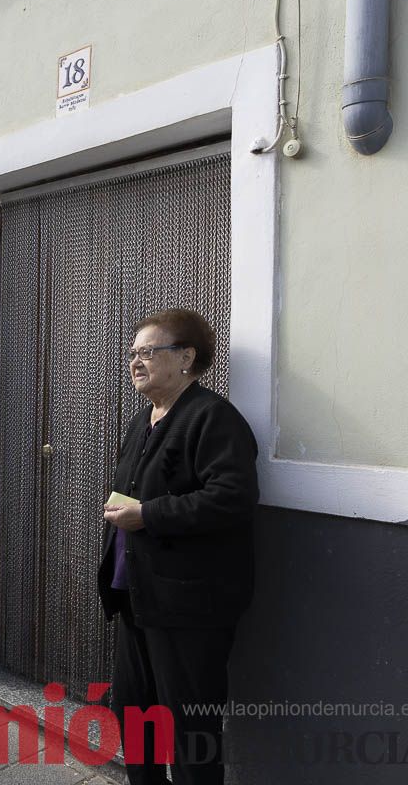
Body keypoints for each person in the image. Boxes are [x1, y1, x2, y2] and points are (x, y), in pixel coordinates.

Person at [97, 308, 259, 785]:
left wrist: (146, 515)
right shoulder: (142, 419)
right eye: (132, 352)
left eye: (148, 351)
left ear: (186, 357)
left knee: (190, 730)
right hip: (138, 599)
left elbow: (231, 499)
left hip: (190, 607)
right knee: (135, 715)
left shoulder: (213, 418)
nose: (135, 361)